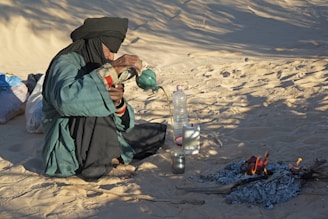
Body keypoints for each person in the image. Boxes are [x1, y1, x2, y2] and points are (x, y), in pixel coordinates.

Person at [42, 17, 167, 181]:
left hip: (97, 134)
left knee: (155, 134)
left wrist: (119, 103)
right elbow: (65, 102)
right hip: (67, 144)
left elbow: (124, 125)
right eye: (109, 49)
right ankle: (103, 165)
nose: (111, 56)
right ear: (95, 43)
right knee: (90, 103)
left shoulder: (98, 65)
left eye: (115, 52)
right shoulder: (65, 63)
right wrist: (112, 70)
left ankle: (109, 154)